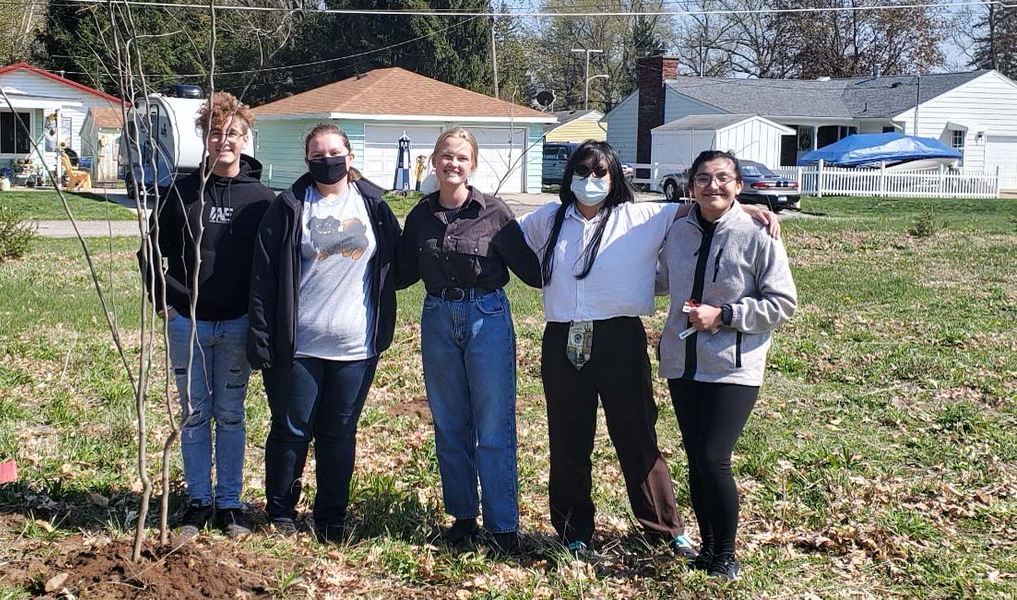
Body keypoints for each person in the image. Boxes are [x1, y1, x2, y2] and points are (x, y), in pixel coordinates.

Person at [518, 140, 778, 558]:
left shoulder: (639, 217)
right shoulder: (548, 219)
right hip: (563, 337)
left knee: (636, 433)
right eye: (582, 171)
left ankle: (663, 527)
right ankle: (573, 531)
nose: (590, 180)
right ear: (569, 177)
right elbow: (504, 236)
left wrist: (749, 208)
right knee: (568, 438)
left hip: (620, 337)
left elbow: (702, 206)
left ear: (614, 177)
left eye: (600, 173)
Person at [247, 123, 402, 543]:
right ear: (308, 161)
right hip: (298, 347)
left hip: (356, 346)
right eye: (318, 154)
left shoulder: (374, 207)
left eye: (334, 152)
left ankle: (332, 517)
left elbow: (398, 265)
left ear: (350, 157)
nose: (327, 160)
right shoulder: (290, 206)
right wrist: (262, 338)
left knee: (338, 434)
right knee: (291, 430)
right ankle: (281, 511)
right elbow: (263, 278)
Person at [396, 128, 542, 553]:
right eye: (445, 156)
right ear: (434, 161)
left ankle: (502, 526)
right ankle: (463, 518)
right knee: (449, 423)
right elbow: (402, 273)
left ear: (472, 165)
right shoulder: (420, 216)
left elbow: (532, 272)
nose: (452, 164)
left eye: (461, 157)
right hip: (437, 317)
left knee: (494, 425)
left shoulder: (494, 212)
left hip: (487, 318)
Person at [657, 150, 797, 580]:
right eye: (703, 178)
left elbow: (783, 303)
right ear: (690, 184)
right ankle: (708, 549)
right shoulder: (677, 231)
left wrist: (725, 315)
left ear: (738, 185)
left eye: (722, 178)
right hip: (683, 363)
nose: (712, 186)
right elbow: (658, 278)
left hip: (732, 367)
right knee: (696, 460)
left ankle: (728, 554)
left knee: (714, 457)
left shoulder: (757, 234)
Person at [138, 92, 273, 537]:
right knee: (195, 414)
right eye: (216, 133)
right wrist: (168, 302)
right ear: (204, 138)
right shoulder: (181, 192)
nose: (224, 141)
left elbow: (271, 267)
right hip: (189, 324)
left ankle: (230, 505)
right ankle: (197, 501)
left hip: (236, 324)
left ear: (246, 138)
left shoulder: (261, 200)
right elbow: (148, 250)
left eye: (233, 133)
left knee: (231, 414)